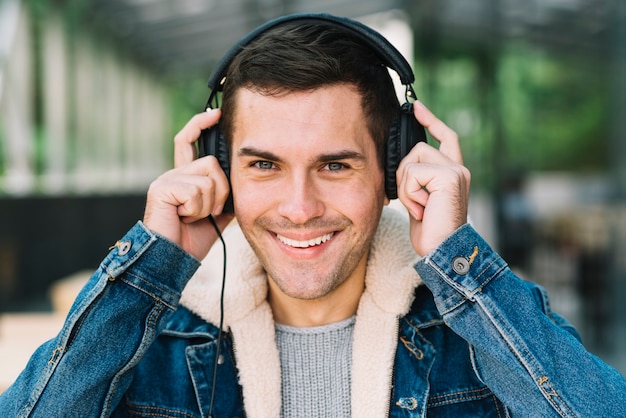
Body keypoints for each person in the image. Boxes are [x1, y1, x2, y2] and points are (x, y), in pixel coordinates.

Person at [1, 13, 625, 418]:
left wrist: (460, 263)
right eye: (264, 165)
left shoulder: (482, 340)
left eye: (335, 166)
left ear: (394, 168)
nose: (299, 209)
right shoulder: (149, 345)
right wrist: (149, 271)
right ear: (218, 170)